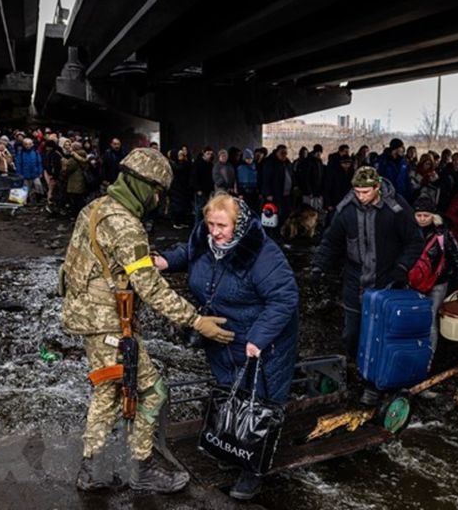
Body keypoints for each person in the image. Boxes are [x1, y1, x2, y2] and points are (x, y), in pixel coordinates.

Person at [61, 148, 234, 493]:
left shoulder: (96, 208)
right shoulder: (125, 224)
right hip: (107, 323)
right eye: (157, 191)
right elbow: (150, 288)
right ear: (143, 185)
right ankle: (143, 470)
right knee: (154, 392)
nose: (158, 199)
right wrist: (196, 321)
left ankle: (90, 471)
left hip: (88, 318)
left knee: (108, 392)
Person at [154, 193, 298, 500]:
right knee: (230, 391)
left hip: (262, 343)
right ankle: (231, 446)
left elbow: (285, 298)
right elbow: (189, 253)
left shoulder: (261, 253)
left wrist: (258, 338)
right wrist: (165, 260)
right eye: (210, 224)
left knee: (258, 402)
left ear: (240, 223)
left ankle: (253, 470)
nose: (215, 232)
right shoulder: (205, 240)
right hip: (222, 337)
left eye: (222, 225)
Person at [312, 167, 424, 405]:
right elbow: (331, 242)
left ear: (377, 188)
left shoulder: (396, 209)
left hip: (386, 282)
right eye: (357, 191)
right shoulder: (346, 210)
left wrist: (402, 268)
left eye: (365, 191)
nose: (360, 196)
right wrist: (318, 266)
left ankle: (375, 384)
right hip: (355, 281)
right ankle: (355, 370)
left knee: (380, 336)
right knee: (351, 333)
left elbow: (415, 241)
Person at [412, 196, 458, 358]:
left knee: (430, 318)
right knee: (414, 315)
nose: (422, 219)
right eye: (419, 215)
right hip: (414, 282)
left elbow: (457, 255)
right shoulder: (407, 230)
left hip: (437, 283)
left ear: (433, 216)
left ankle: (427, 356)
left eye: (426, 215)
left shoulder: (443, 233)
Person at [262, 144, 293, 227]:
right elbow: (265, 179)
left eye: (286, 153)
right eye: (282, 153)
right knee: (276, 214)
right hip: (275, 194)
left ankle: (283, 231)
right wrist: (268, 193)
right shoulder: (270, 163)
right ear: (277, 152)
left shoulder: (287, 163)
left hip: (287, 194)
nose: (284, 155)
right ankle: (274, 234)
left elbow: (291, 175)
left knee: (286, 213)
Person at [62, 142, 88, 217]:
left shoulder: (73, 158)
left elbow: (68, 169)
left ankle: (76, 214)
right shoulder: (84, 155)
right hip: (82, 180)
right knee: (80, 198)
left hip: (74, 182)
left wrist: (64, 165)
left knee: (75, 199)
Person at [191, 146, 214, 223]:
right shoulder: (197, 164)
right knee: (199, 210)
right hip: (200, 190)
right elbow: (194, 177)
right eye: (208, 153)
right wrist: (197, 189)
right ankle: (197, 226)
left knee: (206, 209)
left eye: (210, 154)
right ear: (203, 153)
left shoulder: (210, 164)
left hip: (207, 190)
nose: (209, 155)